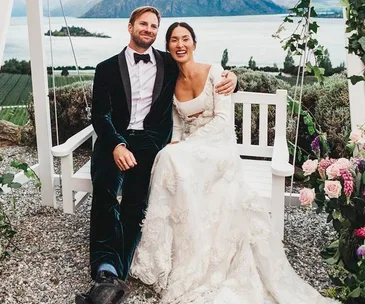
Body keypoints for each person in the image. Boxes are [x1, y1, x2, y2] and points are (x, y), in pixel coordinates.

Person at [129, 22, 340, 304]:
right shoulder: (172, 82)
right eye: (174, 40)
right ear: (168, 47)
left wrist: (186, 147)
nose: (180, 45)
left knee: (171, 159)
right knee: (168, 156)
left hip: (219, 148)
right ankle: (163, 257)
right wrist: (177, 143)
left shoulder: (216, 73)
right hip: (191, 150)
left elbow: (223, 122)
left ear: (194, 43)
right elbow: (177, 125)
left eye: (186, 39)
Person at [75, 7, 238, 304]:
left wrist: (233, 77)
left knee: (136, 202)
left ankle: (112, 274)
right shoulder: (106, 68)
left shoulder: (168, 63)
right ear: (130, 27)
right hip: (115, 141)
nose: (148, 29)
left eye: (153, 26)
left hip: (150, 144)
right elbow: (100, 115)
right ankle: (104, 268)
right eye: (143, 24)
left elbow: (202, 72)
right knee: (106, 191)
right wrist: (116, 145)